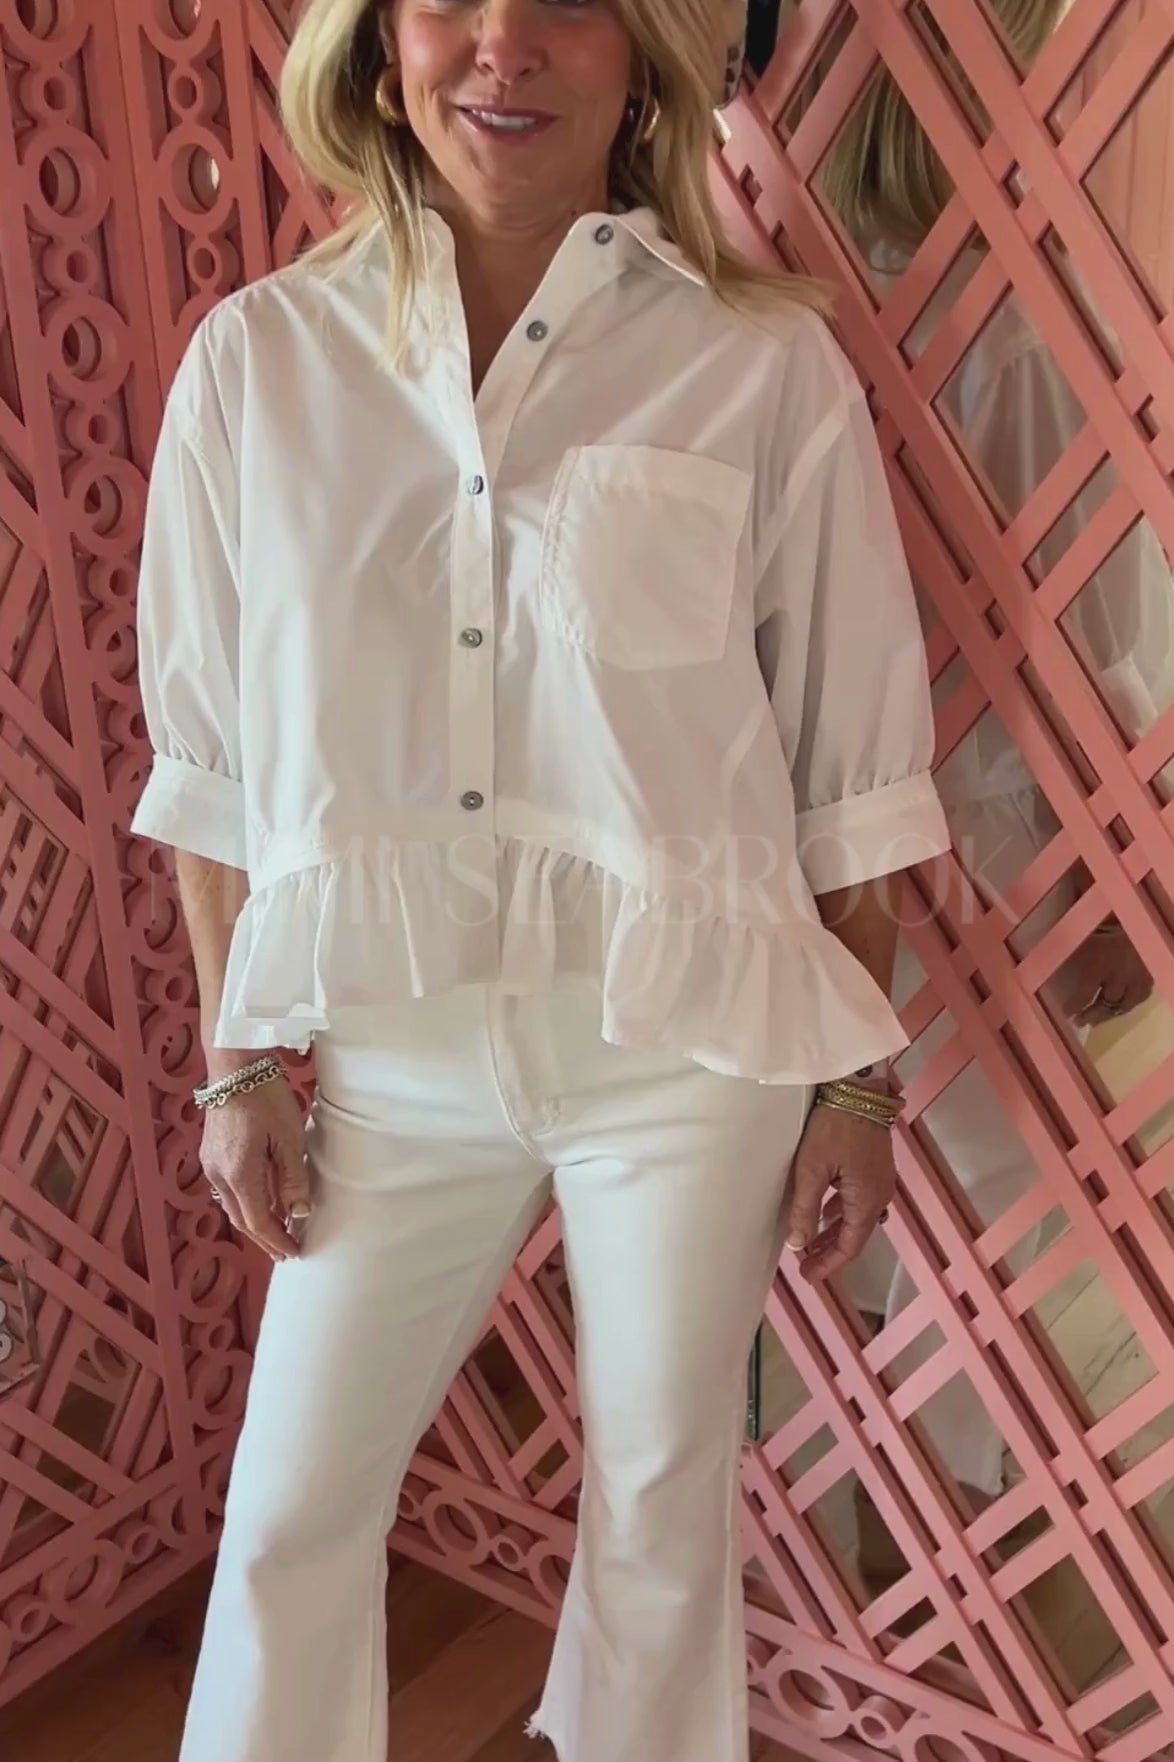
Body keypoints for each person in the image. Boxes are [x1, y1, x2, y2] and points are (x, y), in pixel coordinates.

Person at [129, 2, 950, 1758]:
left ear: (642, 53)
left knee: (660, 1514)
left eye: (568, 0)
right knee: (286, 1515)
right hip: (387, 1050)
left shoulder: (759, 364)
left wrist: (855, 1082)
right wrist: (237, 1054)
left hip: (685, 1054)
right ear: (379, 45)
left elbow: (851, 765)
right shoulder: (258, 364)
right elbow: (210, 768)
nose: (503, 48)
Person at [811, 0, 1169, 1571]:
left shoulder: (808, 289)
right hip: (994, 827)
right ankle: (935, 1546)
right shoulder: (1021, 311)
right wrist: (1121, 864)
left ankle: (883, 1540)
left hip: (858, 811)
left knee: (903, 1175)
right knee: (995, 1190)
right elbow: (1094, 635)